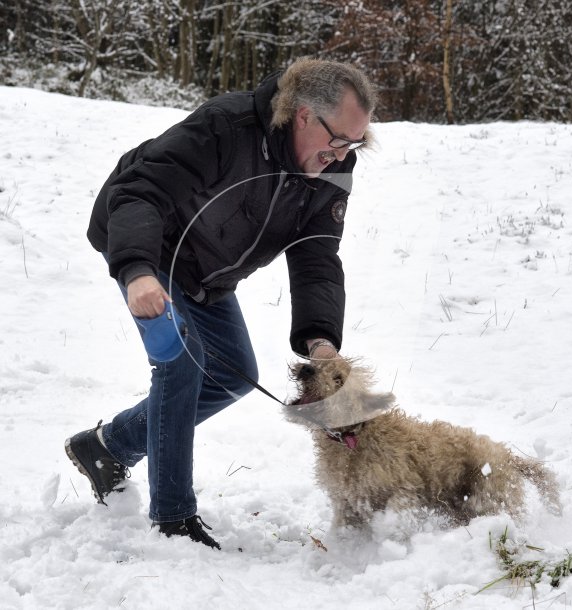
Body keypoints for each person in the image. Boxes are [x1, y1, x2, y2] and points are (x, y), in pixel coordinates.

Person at [65, 57, 377, 549]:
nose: (342, 154)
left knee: (232, 375)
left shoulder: (334, 167)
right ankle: (173, 521)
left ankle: (107, 447)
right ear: (301, 115)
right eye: (338, 138)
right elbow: (140, 192)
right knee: (181, 366)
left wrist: (321, 339)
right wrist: (138, 271)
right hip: (149, 247)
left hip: (208, 273)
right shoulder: (225, 127)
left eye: (355, 142)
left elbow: (316, 252)